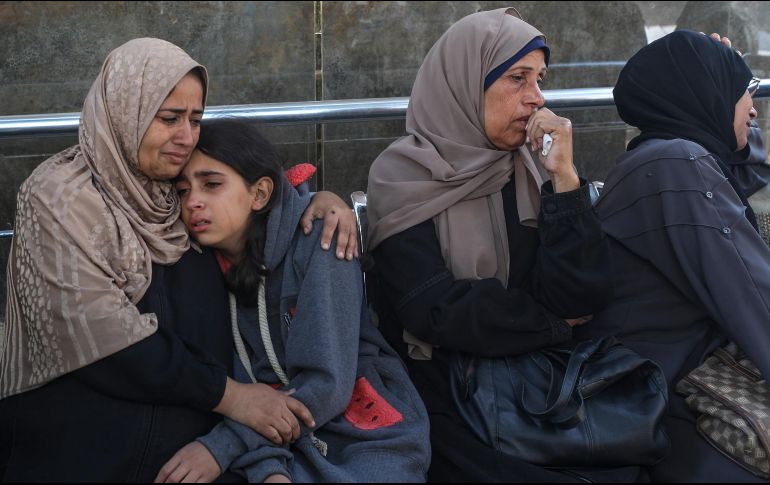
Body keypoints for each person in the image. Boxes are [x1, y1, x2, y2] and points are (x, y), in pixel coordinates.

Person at [0, 38, 357, 482]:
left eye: (196, 119)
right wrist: (233, 398)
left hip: (193, 456)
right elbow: (100, 337)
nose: (187, 138)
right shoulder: (59, 199)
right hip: (79, 450)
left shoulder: (175, 190)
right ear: (126, 113)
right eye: (169, 118)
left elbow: (252, 194)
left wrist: (319, 202)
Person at [365, 8, 617, 482]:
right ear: (464, 83)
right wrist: (550, 322)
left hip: (538, 382)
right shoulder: (402, 176)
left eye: (540, 80)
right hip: (446, 391)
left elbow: (582, 295)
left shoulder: (533, 167)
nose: (537, 98)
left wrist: (565, 179)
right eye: (518, 79)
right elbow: (433, 309)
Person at [153, 119, 430, 483]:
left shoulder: (322, 238)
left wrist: (222, 447)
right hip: (269, 437)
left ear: (259, 193)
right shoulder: (197, 263)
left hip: (364, 433)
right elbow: (244, 384)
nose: (193, 202)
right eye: (183, 190)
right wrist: (267, 467)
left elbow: (328, 383)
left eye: (212, 184)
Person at [580, 30, 770, 482]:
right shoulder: (676, 166)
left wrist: (720, 78)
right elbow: (753, 293)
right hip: (663, 396)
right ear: (707, 95)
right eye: (745, 91)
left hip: (666, 378)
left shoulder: (662, 158)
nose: (754, 108)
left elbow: (751, 169)